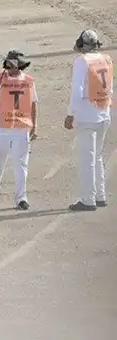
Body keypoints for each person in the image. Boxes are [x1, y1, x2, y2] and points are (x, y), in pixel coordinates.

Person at [0, 50, 38, 210]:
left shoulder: (28, 81)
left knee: (21, 163)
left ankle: (21, 197)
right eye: (9, 64)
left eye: (14, 64)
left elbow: (33, 103)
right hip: (2, 127)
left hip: (21, 127)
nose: (11, 68)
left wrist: (35, 125)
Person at [64, 30, 112, 211]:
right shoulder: (107, 59)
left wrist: (70, 114)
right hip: (103, 112)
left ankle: (88, 199)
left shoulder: (81, 61)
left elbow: (77, 90)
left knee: (87, 159)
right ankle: (100, 195)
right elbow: (111, 88)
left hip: (87, 115)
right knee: (97, 156)